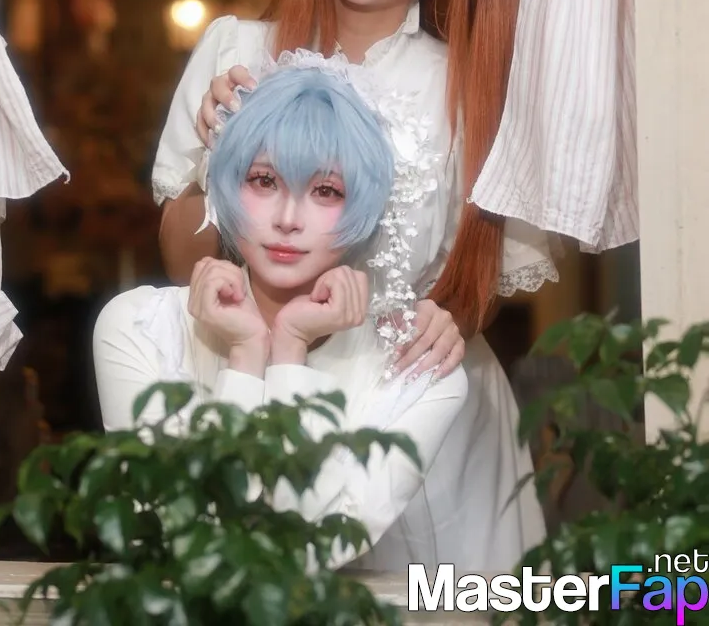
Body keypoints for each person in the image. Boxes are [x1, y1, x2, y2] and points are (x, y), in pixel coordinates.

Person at [153, 0, 557, 375]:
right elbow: (184, 271)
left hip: (410, 397)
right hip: (250, 378)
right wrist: (216, 158)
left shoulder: (467, 91)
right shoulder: (235, 52)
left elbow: (483, 286)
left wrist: (450, 318)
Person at [94, 62, 545, 572]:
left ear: (367, 206)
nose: (288, 219)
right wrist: (246, 353)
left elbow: (308, 550)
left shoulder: (417, 373)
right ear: (225, 182)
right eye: (264, 180)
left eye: (326, 190)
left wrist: (288, 350)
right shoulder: (139, 328)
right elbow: (190, 547)